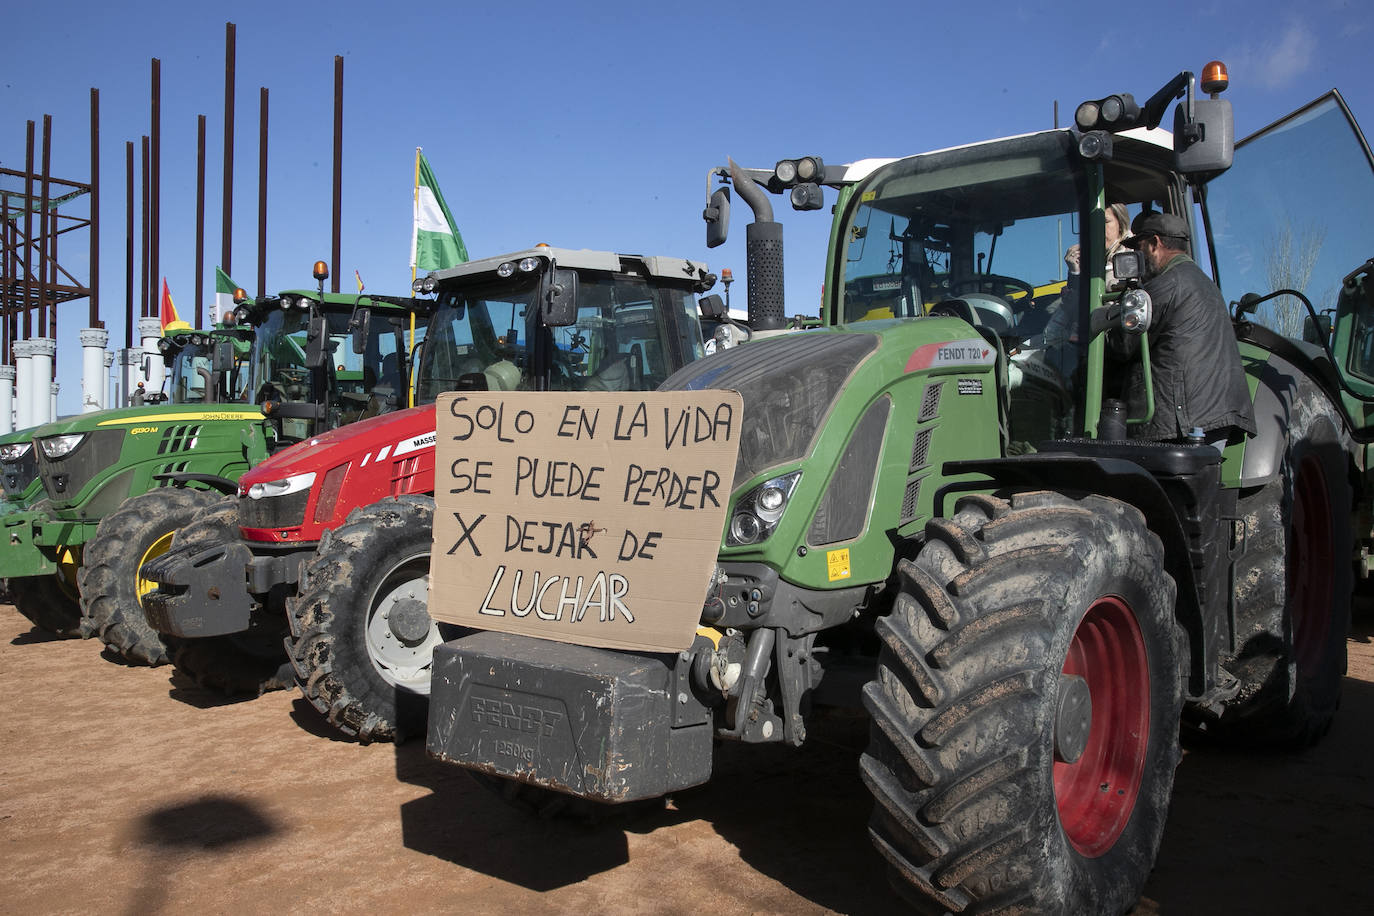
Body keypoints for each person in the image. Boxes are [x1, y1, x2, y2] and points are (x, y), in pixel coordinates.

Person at [1118, 211, 1256, 445]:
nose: (1135, 256)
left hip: (1182, 421)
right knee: (1204, 480)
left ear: (1154, 243)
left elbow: (1124, 345)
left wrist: (1105, 318)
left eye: (1138, 248)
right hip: (1213, 413)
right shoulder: (1204, 284)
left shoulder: (1166, 285)